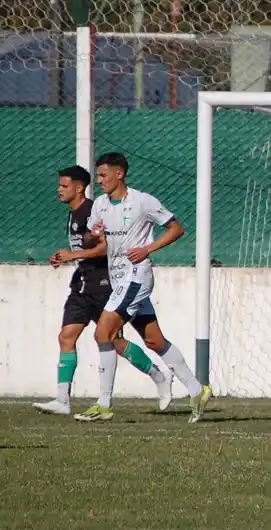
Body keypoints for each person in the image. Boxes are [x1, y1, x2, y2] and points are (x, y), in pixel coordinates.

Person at [73, 152, 211, 424]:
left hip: (137, 277)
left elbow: (176, 228)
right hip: (118, 278)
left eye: (102, 175)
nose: (98, 181)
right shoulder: (100, 204)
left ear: (119, 174)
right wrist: (94, 234)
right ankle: (197, 390)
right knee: (154, 341)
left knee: (104, 332)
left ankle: (103, 405)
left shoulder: (142, 201)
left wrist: (148, 249)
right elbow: (90, 239)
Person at [33, 166, 174, 416]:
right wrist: (65, 257)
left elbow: (104, 249)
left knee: (114, 341)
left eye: (64, 186)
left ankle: (158, 376)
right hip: (82, 283)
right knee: (66, 337)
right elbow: (86, 244)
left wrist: (74, 254)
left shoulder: (93, 209)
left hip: (104, 284)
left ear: (78, 188)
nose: (59, 190)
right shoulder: (74, 214)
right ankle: (62, 399)